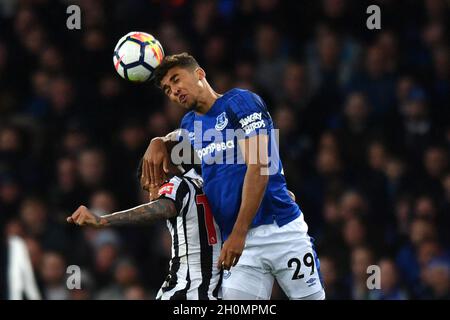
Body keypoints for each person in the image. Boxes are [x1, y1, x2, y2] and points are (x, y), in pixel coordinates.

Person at [142, 53, 325, 300]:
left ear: (199, 74)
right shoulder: (189, 124)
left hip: (280, 230)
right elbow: (180, 139)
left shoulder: (241, 102)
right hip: (239, 246)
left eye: (176, 80)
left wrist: (239, 233)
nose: (174, 91)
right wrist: (158, 141)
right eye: (167, 89)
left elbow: (261, 165)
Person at [67, 162, 222, 300]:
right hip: (214, 286)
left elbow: (161, 208)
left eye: (148, 187)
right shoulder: (206, 182)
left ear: (159, 174)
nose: (150, 196)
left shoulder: (175, 185)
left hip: (188, 288)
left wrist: (103, 220)